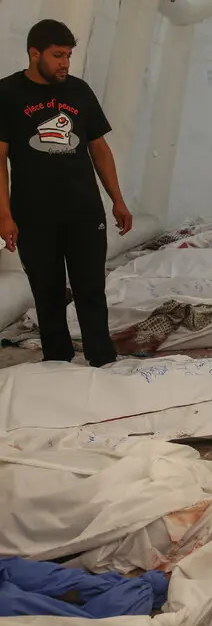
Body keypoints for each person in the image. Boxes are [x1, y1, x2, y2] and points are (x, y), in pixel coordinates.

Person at [0, 19, 133, 368]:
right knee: (48, 294)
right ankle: (57, 362)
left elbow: (99, 148)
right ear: (34, 53)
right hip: (33, 215)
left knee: (91, 290)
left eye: (69, 56)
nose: (65, 64)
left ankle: (102, 361)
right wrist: (4, 215)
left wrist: (117, 199)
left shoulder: (78, 90)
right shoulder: (7, 94)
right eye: (58, 55)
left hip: (84, 211)